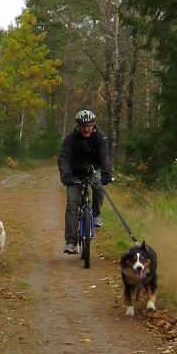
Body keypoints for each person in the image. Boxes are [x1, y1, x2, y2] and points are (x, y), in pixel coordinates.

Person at [58, 109, 113, 254]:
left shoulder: (100, 138)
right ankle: (71, 242)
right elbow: (63, 158)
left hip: (94, 171)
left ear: (94, 124)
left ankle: (95, 214)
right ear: (78, 126)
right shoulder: (70, 139)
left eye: (89, 125)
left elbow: (105, 158)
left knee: (99, 186)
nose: (86, 128)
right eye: (83, 125)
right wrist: (66, 175)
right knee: (72, 205)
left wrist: (106, 174)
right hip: (74, 174)